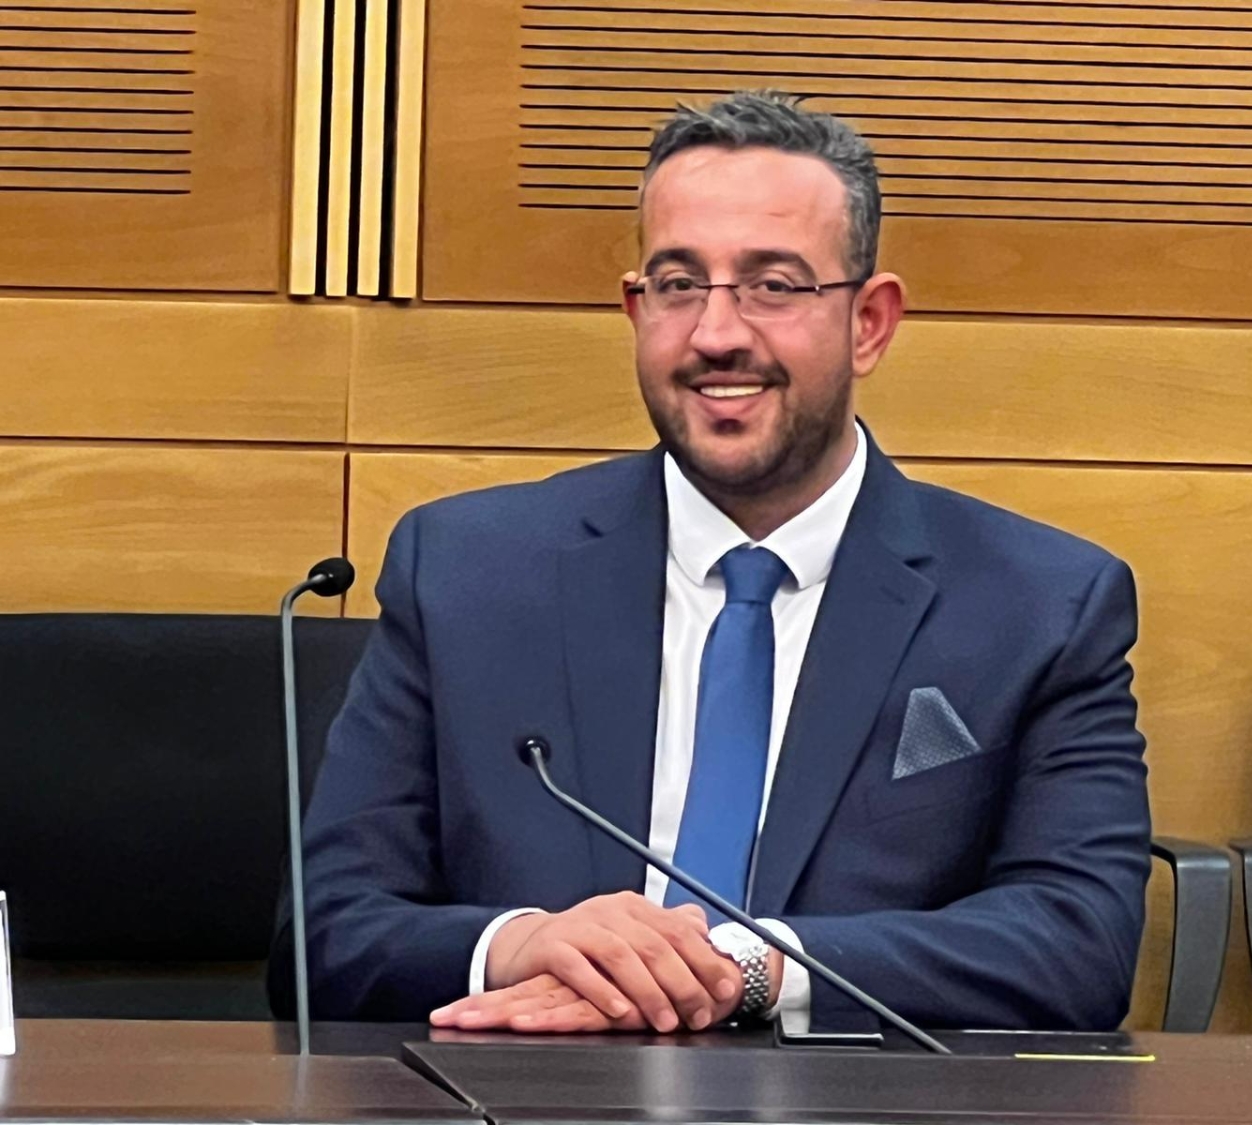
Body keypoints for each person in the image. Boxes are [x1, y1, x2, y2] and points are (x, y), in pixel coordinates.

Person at [292, 91, 1151, 1034]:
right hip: (526, 1087)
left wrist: (750, 966)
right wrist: (520, 943)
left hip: (857, 1098)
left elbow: (1077, 946)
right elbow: (325, 931)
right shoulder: (465, 574)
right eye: (678, 284)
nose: (716, 334)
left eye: (773, 285)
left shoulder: (1041, 605)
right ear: (636, 309)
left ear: (869, 322)